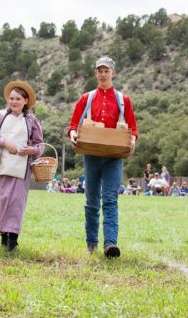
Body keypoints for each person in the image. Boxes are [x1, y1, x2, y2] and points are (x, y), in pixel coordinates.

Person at [67, 56, 138, 258]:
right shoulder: (86, 98)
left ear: (113, 73)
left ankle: (110, 244)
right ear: (95, 73)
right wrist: (73, 136)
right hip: (91, 154)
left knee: (110, 198)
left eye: (106, 70)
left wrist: (132, 141)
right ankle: (91, 243)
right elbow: (73, 126)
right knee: (91, 200)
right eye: (100, 70)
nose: (103, 74)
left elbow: (132, 128)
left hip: (114, 156)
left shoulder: (124, 100)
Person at [0, 80, 44, 252]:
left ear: (25, 101)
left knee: (16, 203)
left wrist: (31, 150)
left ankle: (13, 239)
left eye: (18, 99)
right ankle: (4, 235)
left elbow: (40, 145)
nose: (14, 102)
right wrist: (3, 141)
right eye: (11, 98)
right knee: (1, 200)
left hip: (21, 168)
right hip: (0, 165)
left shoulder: (32, 121)